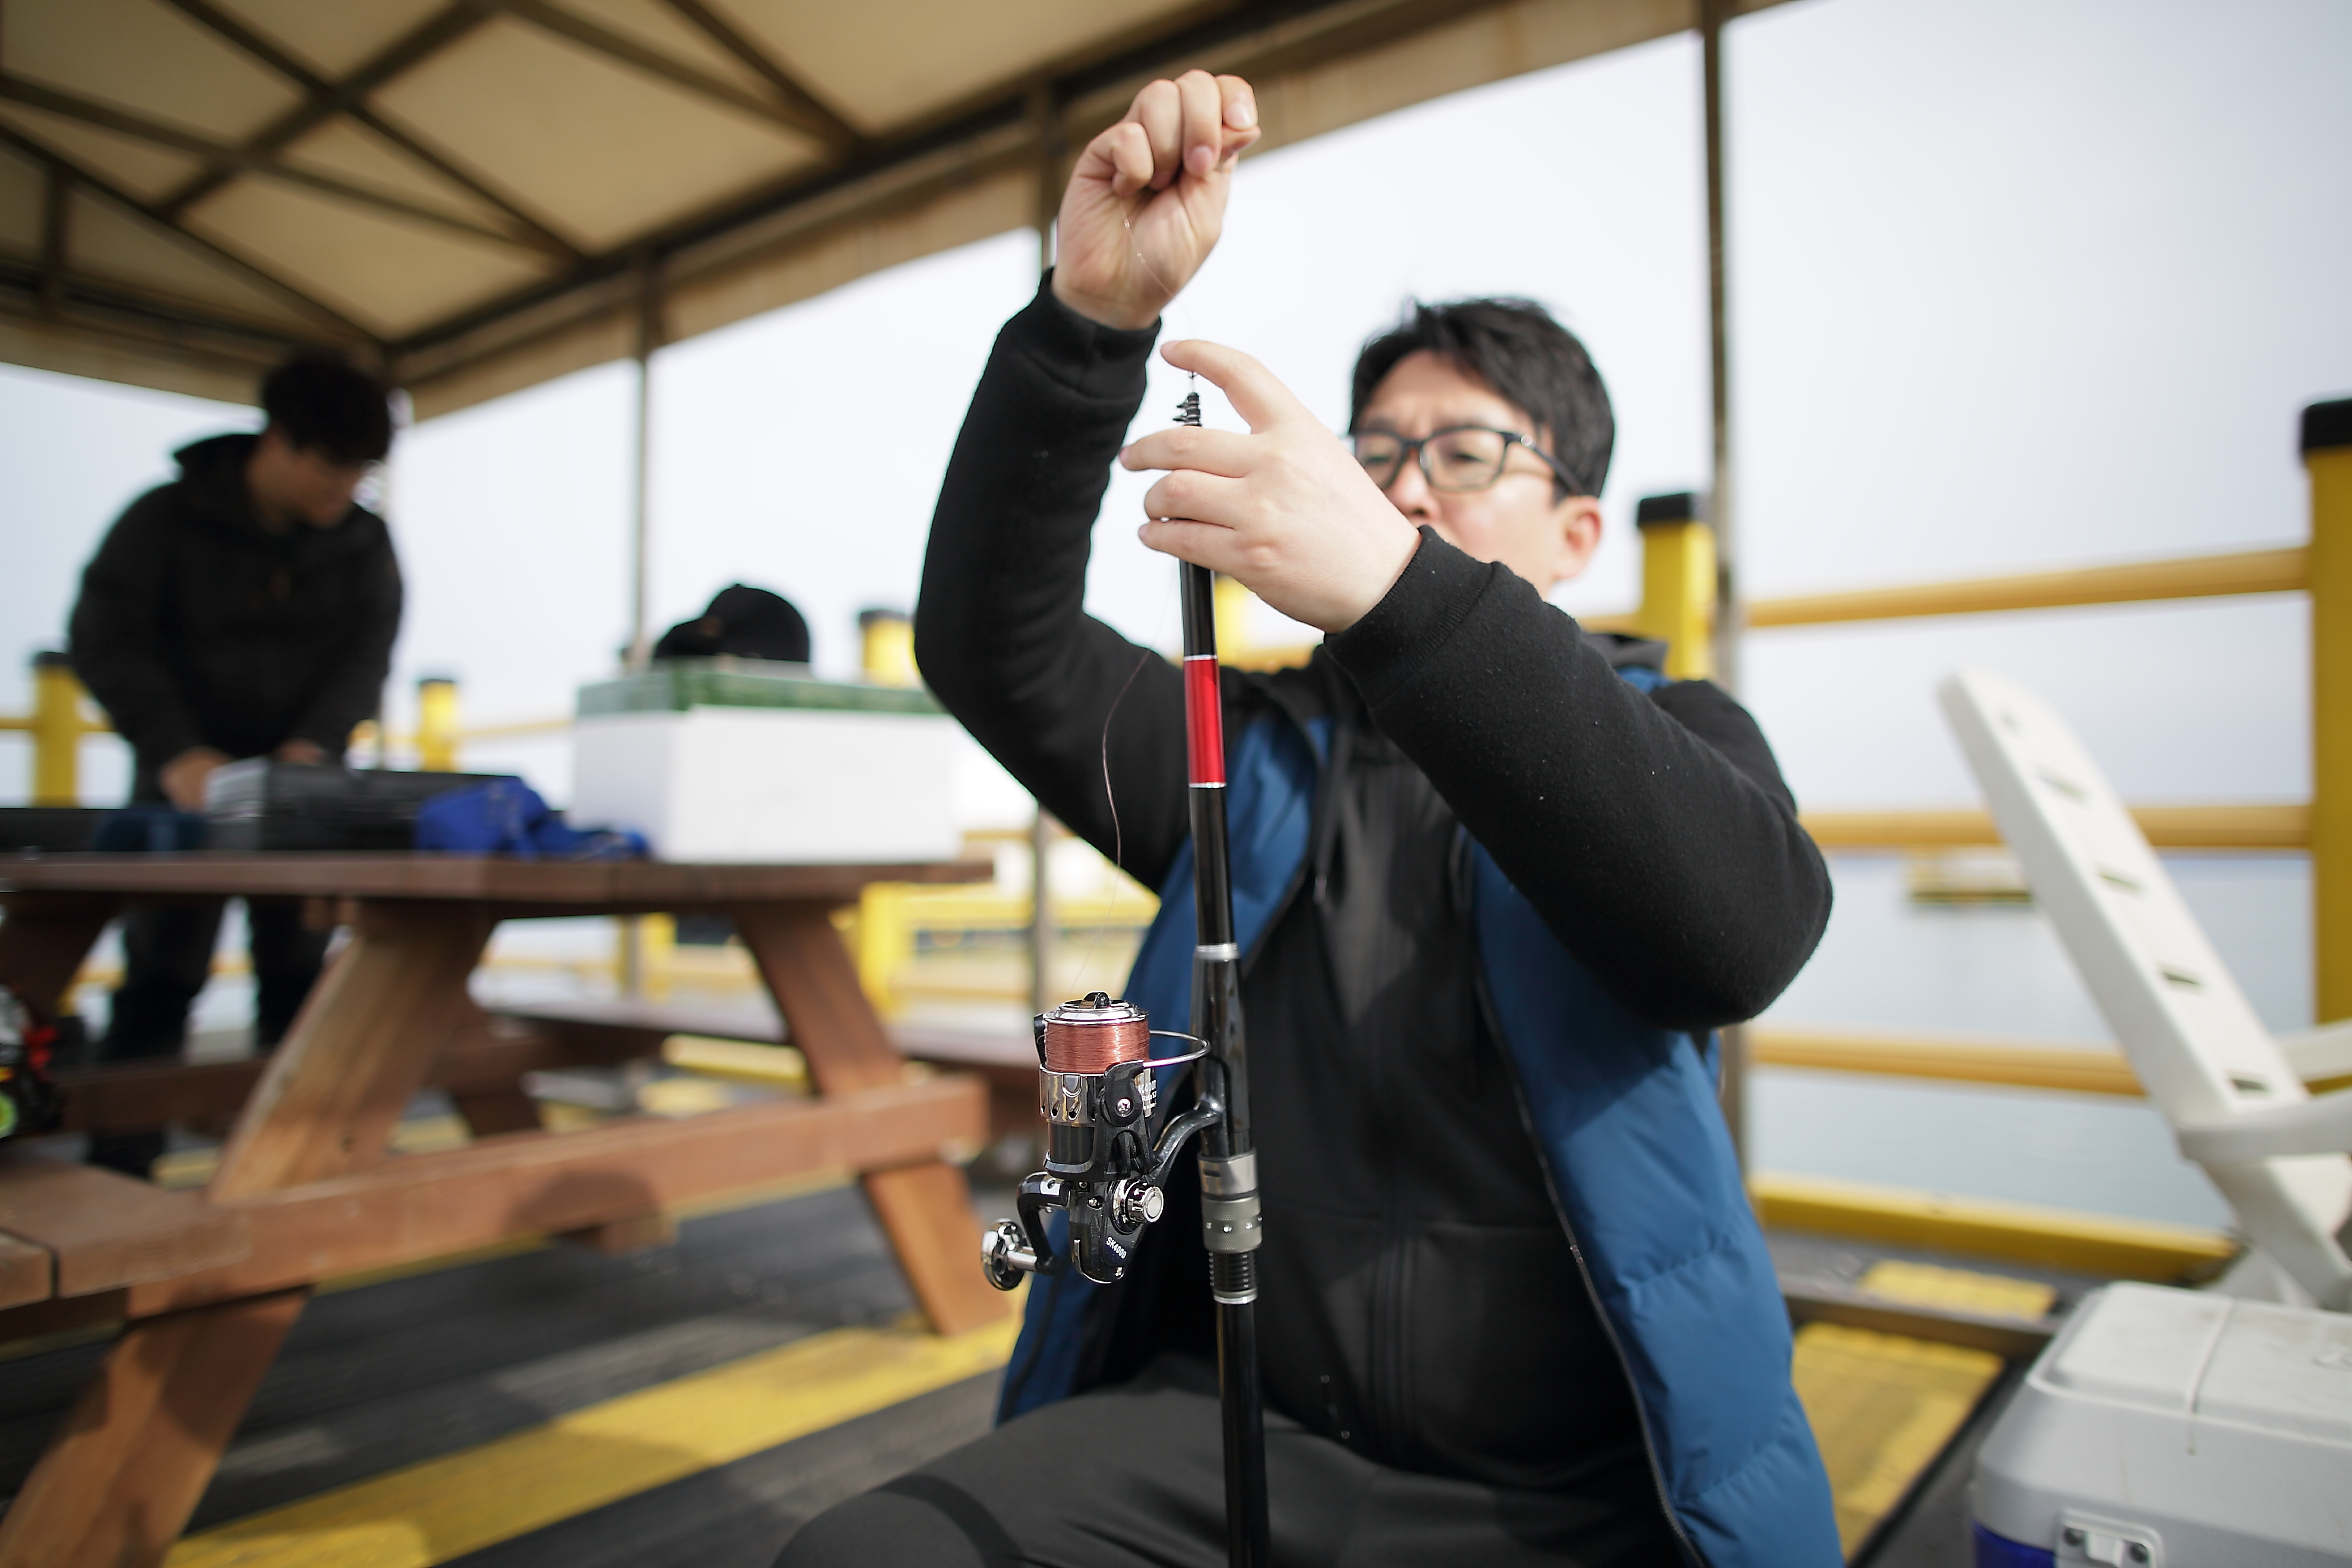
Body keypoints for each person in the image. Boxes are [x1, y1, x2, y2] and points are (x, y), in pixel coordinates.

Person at [782, 71, 1839, 1568]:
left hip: (1583, 1487)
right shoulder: (1246, 753)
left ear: (1578, 533)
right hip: (1228, 1433)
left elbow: (1740, 938)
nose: (1406, 487)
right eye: (1376, 453)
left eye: (1467, 455)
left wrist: (1405, 593)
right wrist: (1085, 327)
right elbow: (990, 647)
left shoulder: (1673, 737)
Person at [68, 353, 402, 1177]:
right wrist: (175, 751)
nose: (346, 487)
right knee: (160, 974)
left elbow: (367, 658)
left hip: (301, 795)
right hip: (179, 787)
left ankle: (289, 1167)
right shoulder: (164, 518)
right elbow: (104, 638)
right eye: (332, 465)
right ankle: (120, 1170)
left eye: (361, 471)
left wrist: (315, 746)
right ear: (278, 441)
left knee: (298, 975)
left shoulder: (365, 544)